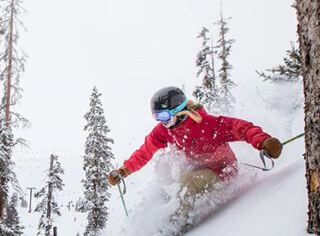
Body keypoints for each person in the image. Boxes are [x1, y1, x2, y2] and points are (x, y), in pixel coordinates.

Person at [108, 86, 283, 225]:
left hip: (223, 170)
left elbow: (242, 128)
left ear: (179, 110)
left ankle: (175, 225)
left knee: (186, 185)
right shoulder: (164, 130)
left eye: (164, 115)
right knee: (168, 189)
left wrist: (264, 142)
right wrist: (124, 170)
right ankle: (162, 223)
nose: (162, 121)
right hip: (197, 170)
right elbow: (145, 151)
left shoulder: (209, 124)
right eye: (157, 117)